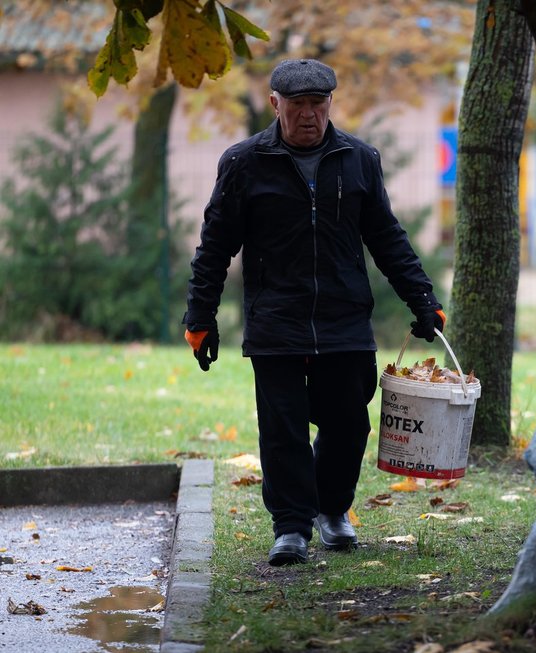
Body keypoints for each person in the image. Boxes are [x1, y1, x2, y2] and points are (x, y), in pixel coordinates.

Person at [182, 59, 446, 566]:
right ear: (274, 102)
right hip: (275, 317)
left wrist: (423, 300)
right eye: (298, 105)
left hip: (345, 317)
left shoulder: (359, 159)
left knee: (348, 422)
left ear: (330, 104)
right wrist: (200, 316)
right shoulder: (244, 163)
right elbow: (215, 246)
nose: (309, 116)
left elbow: (387, 239)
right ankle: (291, 527)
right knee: (283, 425)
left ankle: (332, 510)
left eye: (318, 105)